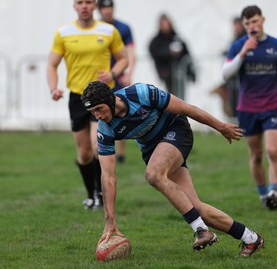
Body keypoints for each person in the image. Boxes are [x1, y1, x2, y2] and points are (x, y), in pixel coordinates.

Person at [81, 81, 265, 257]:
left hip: (176, 130)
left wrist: (221, 126)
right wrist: (109, 220)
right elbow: (108, 177)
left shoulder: (141, 93)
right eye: (92, 112)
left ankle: (200, 231)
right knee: (196, 208)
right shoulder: (104, 129)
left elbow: (186, 108)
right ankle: (250, 238)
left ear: (110, 99)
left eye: (99, 109)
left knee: (153, 174)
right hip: (153, 149)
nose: (97, 116)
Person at [46, 0, 128, 210]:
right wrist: (53, 87)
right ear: (74, 6)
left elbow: (123, 58)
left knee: (96, 145)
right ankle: (91, 194)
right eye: (80, 2)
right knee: (83, 153)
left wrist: (113, 73)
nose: (84, 6)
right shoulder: (63, 32)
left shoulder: (108, 30)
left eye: (88, 2)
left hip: (102, 96)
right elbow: (52, 64)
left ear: (95, 6)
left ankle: (101, 194)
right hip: (77, 97)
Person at [222, 5, 277, 210]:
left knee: (272, 150)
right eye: (247, 24)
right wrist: (244, 53)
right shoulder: (239, 46)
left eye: (254, 22)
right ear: (243, 25)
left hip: (272, 107)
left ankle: (274, 192)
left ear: (262, 20)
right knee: (256, 155)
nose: (251, 26)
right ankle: (264, 195)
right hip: (247, 109)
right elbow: (225, 74)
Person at [97, 0, 136, 164]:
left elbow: (131, 52)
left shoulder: (123, 28)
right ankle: (100, 149)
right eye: (104, 8)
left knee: (119, 111)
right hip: (99, 78)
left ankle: (120, 152)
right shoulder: (94, 29)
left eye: (110, 7)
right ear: (99, 10)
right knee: (99, 113)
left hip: (117, 76)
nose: (107, 11)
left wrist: (128, 73)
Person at [149, 13, 196, 100]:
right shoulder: (156, 41)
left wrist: (191, 72)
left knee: (181, 95)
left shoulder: (177, 38)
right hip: (166, 74)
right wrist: (169, 53)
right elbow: (154, 52)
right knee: (169, 96)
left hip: (180, 73)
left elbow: (186, 55)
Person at [211, 17, 247, 118]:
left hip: (242, 77)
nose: (236, 27)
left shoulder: (245, 39)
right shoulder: (234, 39)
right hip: (233, 77)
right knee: (233, 103)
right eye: (235, 25)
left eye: (238, 25)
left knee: (239, 102)